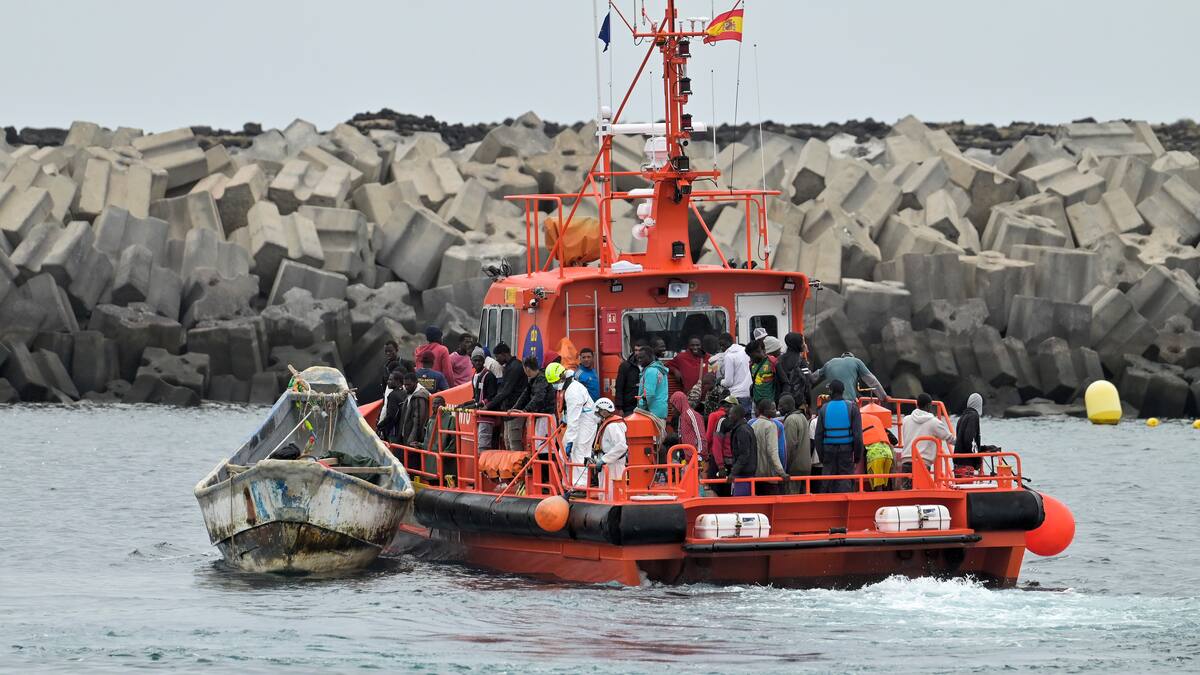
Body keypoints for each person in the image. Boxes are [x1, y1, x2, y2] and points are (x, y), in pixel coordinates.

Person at [814, 380, 865, 493]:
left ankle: (828, 504)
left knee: (828, 480)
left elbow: (818, 436)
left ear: (831, 391)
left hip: (828, 451)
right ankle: (846, 504)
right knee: (845, 479)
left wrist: (822, 457)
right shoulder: (852, 408)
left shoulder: (823, 409)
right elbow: (858, 436)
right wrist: (857, 456)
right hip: (846, 450)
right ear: (842, 391)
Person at [554, 364, 598, 490]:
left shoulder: (573, 392)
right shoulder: (569, 387)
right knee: (564, 453)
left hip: (586, 421)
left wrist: (570, 441)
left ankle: (581, 486)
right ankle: (568, 483)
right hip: (580, 419)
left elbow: (574, 420)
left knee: (580, 451)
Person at [486, 343, 528, 449]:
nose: (496, 360)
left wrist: (488, 405)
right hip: (509, 411)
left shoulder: (514, 367)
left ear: (504, 354)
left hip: (515, 410)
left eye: (497, 357)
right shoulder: (511, 366)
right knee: (508, 442)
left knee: (514, 443)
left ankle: (517, 465)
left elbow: (506, 391)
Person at [513, 356, 556, 457]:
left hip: (545, 417)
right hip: (540, 417)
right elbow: (525, 394)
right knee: (539, 446)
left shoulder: (541, 379)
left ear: (527, 368)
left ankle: (545, 472)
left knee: (544, 447)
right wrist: (516, 407)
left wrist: (525, 410)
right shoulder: (534, 379)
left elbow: (538, 396)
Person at [901, 393, 955, 473]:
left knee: (907, 485)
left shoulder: (906, 420)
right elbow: (949, 438)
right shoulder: (934, 422)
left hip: (905, 461)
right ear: (929, 405)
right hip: (923, 463)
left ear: (917, 404)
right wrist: (963, 443)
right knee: (921, 486)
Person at [812, 351, 888, 402]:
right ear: (852, 357)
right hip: (848, 402)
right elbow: (871, 380)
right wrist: (883, 396)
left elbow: (813, 377)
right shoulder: (856, 361)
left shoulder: (829, 363)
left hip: (832, 402)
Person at [591, 397, 628, 497]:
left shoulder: (613, 426)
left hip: (614, 466)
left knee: (612, 493)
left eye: (597, 412)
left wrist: (604, 459)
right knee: (605, 492)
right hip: (608, 465)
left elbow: (621, 446)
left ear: (603, 412)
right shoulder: (608, 424)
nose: (596, 415)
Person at [751, 398, 788, 494]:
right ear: (765, 411)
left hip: (756, 474)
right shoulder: (771, 426)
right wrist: (781, 472)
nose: (776, 411)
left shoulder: (753, 424)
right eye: (773, 409)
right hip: (769, 475)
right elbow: (773, 452)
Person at [778, 395, 812, 494]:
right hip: (806, 466)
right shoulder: (802, 417)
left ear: (788, 405)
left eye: (781, 406)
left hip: (794, 467)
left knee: (791, 498)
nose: (778, 408)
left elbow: (789, 446)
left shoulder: (791, 420)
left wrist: (784, 467)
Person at [704, 394, 736, 497]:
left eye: (728, 406)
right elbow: (716, 443)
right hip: (721, 462)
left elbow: (709, 438)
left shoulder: (739, 422)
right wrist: (720, 465)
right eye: (725, 406)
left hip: (727, 463)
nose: (725, 408)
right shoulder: (722, 420)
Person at [724, 404, 757, 497]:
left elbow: (744, 454)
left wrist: (734, 472)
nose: (729, 416)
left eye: (731, 414)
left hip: (744, 475)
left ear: (737, 415)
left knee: (740, 506)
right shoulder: (744, 428)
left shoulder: (742, 430)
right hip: (745, 473)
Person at [776, 332, 813, 412]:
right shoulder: (801, 362)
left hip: (782, 402)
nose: (804, 344)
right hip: (798, 403)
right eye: (802, 342)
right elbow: (807, 384)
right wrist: (809, 404)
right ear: (797, 344)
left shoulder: (779, 360)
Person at [471, 352, 498, 450]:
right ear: (471, 362)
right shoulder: (474, 376)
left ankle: (482, 465)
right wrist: (465, 404)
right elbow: (475, 397)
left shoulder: (489, 375)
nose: (478, 362)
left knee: (483, 446)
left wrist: (481, 404)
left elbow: (492, 396)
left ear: (483, 361)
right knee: (478, 444)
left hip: (487, 416)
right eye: (475, 360)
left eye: (480, 360)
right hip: (478, 416)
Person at [719, 337, 752, 414]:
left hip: (737, 395)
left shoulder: (729, 356)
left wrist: (720, 381)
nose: (721, 348)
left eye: (722, 345)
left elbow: (728, 382)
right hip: (749, 393)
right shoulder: (745, 351)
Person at [398, 371, 431, 446]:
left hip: (413, 440)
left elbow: (418, 421)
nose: (406, 387)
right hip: (407, 435)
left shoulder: (419, 397)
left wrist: (411, 440)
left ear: (416, 383)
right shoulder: (411, 393)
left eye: (409, 385)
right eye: (405, 385)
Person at [614, 340, 646, 416]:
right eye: (636, 350)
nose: (637, 353)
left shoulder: (650, 366)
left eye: (640, 350)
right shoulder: (625, 366)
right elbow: (619, 387)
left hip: (646, 407)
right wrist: (620, 408)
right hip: (629, 408)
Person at [636, 345, 669, 419]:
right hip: (660, 411)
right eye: (638, 358)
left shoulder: (650, 371)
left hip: (651, 413)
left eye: (642, 357)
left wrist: (640, 408)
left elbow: (648, 394)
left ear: (650, 356)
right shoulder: (659, 369)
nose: (639, 360)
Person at [670, 391, 705, 459]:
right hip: (686, 458)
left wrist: (699, 456)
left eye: (674, 407)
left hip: (695, 458)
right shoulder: (681, 417)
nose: (672, 410)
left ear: (679, 404)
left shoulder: (692, 415)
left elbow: (701, 437)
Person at [954, 393, 984, 471]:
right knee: (967, 482)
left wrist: (983, 448)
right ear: (979, 404)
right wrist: (977, 459)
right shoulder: (974, 416)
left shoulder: (962, 417)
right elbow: (969, 440)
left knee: (960, 483)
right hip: (967, 463)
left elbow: (962, 440)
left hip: (958, 461)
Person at [376, 370, 407, 443]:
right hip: (403, 430)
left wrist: (380, 426)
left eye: (390, 379)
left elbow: (392, 416)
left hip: (395, 431)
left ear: (398, 381)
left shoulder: (393, 395)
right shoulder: (404, 393)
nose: (387, 382)